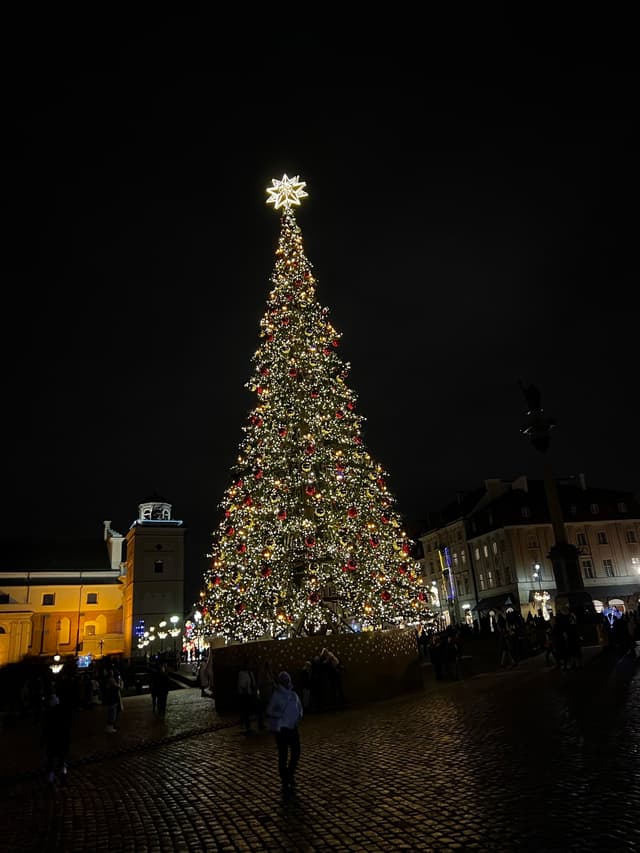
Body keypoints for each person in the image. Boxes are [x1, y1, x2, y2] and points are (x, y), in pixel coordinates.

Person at [266, 671, 303, 795]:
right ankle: (285, 778)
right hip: (282, 729)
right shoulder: (277, 695)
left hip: (292, 728)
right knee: (283, 754)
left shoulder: (293, 694)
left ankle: (289, 774)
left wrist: (297, 718)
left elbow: (300, 708)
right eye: (285, 681)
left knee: (296, 752)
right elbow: (271, 711)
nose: (287, 683)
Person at [237, 658, 258, 734]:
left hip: (250, 694)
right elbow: (242, 685)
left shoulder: (250, 673)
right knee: (246, 711)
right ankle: (247, 727)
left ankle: (248, 726)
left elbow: (253, 683)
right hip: (245, 695)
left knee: (249, 711)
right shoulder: (242, 673)